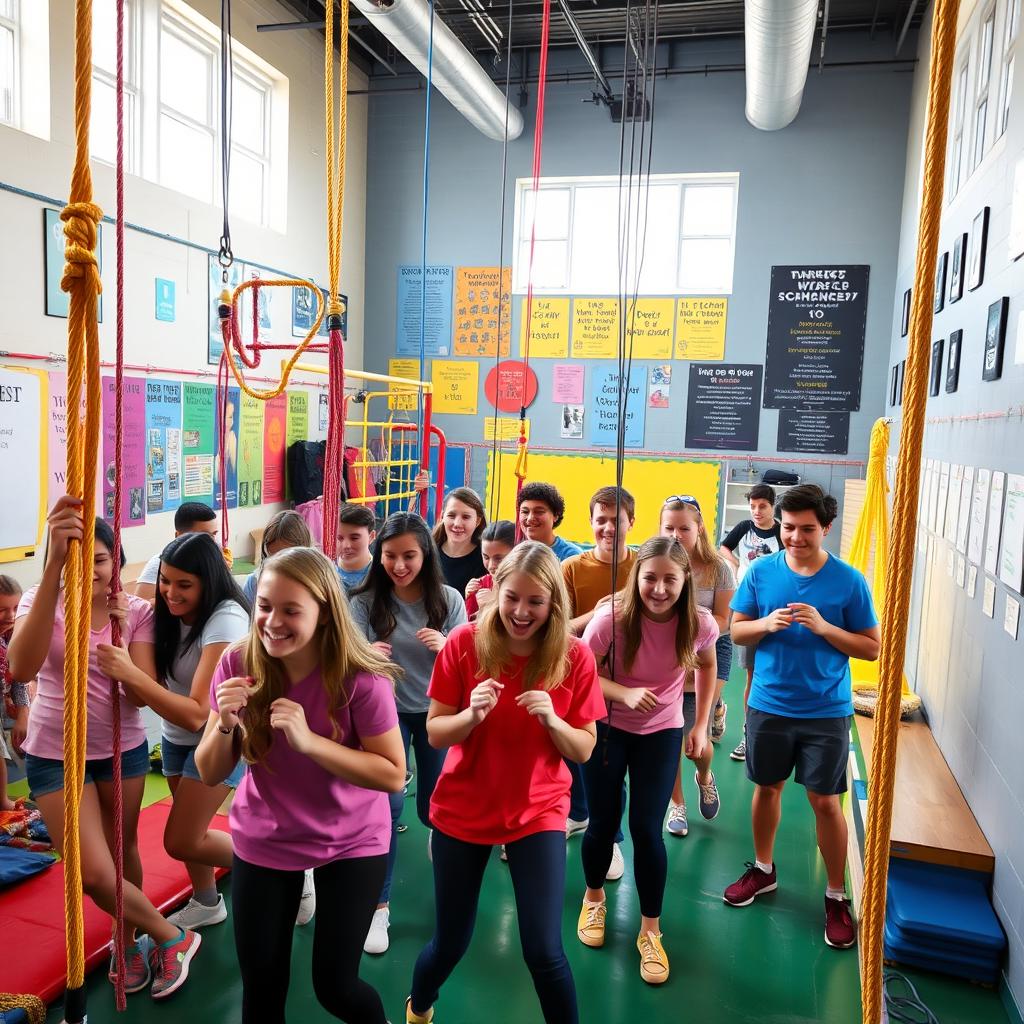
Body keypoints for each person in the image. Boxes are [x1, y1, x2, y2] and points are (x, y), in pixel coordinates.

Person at [195, 547, 405, 1024]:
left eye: (292, 610)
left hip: (351, 838)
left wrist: (310, 743)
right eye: (266, 606)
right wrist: (224, 724)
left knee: (336, 988)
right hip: (267, 836)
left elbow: (392, 773)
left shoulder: (359, 679)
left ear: (325, 614)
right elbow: (209, 772)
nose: (273, 622)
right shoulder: (238, 662)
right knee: (263, 988)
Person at [405, 542, 606, 1024]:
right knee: (451, 941)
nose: (521, 611)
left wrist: (554, 721)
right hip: (463, 808)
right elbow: (434, 732)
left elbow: (583, 748)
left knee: (543, 949)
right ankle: (419, 1007)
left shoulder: (574, 656)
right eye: (512, 597)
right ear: (496, 591)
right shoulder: (464, 643)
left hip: (537, 812)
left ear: (553, 603)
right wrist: (471, 714)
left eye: (535, 601)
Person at [9, 497, 201, 999]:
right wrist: (53, 566)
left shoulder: (136, 611)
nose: (88, 568)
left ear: (114, 559)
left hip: (122, 749)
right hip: (54, 752)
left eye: (97, 558)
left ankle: (128, 939)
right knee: (93, 872)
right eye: (74, 556)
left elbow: (140, 696)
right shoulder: (37, 600)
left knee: (123, 851)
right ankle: (173, 935)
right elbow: (21, 670)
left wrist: (120, 641)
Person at [724, 485, 879, 951]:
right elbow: (735, 629)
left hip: (825, 710)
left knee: (825, 803)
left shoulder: (849, 582)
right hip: (769, 705)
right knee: (765, 789)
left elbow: (872, 648)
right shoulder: (760, 572)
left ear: (826, 529)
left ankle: (835, 895)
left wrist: (826, 627)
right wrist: (765, 625)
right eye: (788, 528)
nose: (795, 537)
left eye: (807, 529)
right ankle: (764, 870)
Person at [577, 537, 718, 984]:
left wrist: (700, 724)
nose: (658, 588)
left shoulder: (698, 623)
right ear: (636, 576)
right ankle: (594, 898)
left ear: (684, 581)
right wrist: (623, 692)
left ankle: (650, 931)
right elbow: (582, 676)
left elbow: (708, 665)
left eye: (669, 580)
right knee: (602, 822)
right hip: (606, 729)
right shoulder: (611, 621)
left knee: (646, 830)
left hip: (661, 733)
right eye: (650, 577)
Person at [96, 533, 250, 931]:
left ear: (208, 581)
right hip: (175, 736)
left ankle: (287, 860)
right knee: (191, 832)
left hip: (220, 736)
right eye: (165, 580)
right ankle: (207, 901)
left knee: (181, 839)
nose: (170, 592)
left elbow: (200, 713)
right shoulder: (160, 613)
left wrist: (131, 673)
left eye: (184, 585)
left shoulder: (226, 618)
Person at [348, 513, 467, 955]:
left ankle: (447, 869)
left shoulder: (448, 599)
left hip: (436, 710)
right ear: (379, 555)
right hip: (385, 712)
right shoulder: (364, 602)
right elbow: (349, 654)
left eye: (409, 556)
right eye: (391, 555)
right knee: (387, 801)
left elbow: (468, 657)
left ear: (425, 555)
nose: (399, 565)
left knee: (433, 804)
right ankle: (379, 906)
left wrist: (448, 647)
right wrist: (364, 655)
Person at [560, 486, 636, 875]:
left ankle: (613, 839)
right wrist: (597, 614)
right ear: (590, 523)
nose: (608, 528)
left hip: (630, 685)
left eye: (616, 521)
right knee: (580, 759)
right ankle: (578, 815)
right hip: (581, 680)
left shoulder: (641, 567)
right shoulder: (572, 569)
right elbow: (558, 630)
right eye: (600, 520)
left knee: (612, 768)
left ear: (631, 523)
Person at [659, 496, 735, 836]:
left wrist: (692, 637)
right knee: (670, 738)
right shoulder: (657, 560)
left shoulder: (718, 567)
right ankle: (678, 803)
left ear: (699, 527)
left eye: (684, 528)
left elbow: (724, 619)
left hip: (710, 652)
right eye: (669, 527)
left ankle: (704, 775)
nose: (676, 535)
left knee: (697, 741)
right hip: (666, 657)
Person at [719, 483, 782, 762]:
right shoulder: (744, 527)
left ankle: (777, 731)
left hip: (777, 606)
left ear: (772, 506)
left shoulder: (781, 532)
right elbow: (724, 547)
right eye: (753, 506)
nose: (756, 511)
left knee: (776, 671)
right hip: (749, 606)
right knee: (752, 673)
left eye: (762, 506)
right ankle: (749, 733)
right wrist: (736, 565)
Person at [134, 502, 221, 602]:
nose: (212, 542)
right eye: (204, 536)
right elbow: (139, 607)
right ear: (179, 536)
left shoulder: (214, 561)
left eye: (213, 535)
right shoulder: (160, 563)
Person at [0, 576, 29, 811]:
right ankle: (2, 801)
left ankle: (44, 784)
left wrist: (23, 715)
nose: (10, 616)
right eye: (2, 610)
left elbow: (20, 679)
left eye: (16, 608)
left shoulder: (14, 635)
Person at [242, 511, 313, 606]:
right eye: (273, 557)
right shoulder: (254, 583)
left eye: (286, 559)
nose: (279, 566)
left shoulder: (316, 585)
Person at [431, 488, 487, 596]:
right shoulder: (428, 552)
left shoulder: (486, 558)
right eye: (451, 516)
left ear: (478, 521)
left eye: (466, 517)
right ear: (443, 516)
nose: (457, 523)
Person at [517, 482, 582, 562]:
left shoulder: (571, 556)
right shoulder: (514, 552)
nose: (530, 518)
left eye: (539, 511)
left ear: (556, 516)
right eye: (525, 512)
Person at [464, 520, 515, 619]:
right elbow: (467, 624)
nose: (491, 565)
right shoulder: (480, 585)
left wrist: (495, 605)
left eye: (499, 558)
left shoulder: (526, 585)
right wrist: (469, 598)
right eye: (486, 557)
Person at [336, 503, 377, 593]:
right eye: (339, 538)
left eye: (354, 538)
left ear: (371, 536)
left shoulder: (380, 576)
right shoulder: (326, 572)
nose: (346, 546)